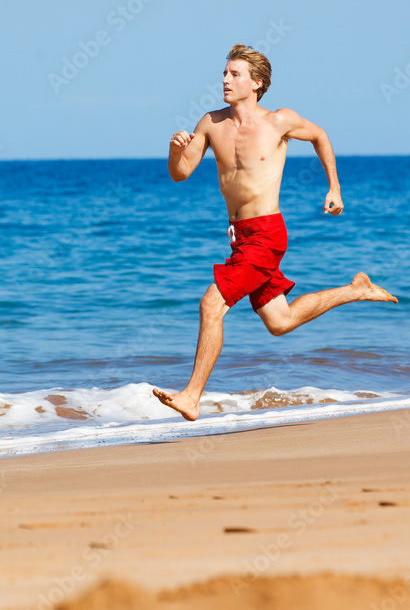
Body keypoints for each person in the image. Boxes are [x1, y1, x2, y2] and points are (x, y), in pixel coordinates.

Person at [151, 44, 397, 421]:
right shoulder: (210, 123)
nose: (225, 80)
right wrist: (173, 151)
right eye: (225, 73)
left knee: (211, 304)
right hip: (238, 237)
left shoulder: (278, 121)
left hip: (266, 233)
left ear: (257, 83)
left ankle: (192, 396)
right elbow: (180, 173)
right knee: (280, 322)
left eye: (234, 74)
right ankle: (356, 289)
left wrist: (334, 187)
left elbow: (320, 136)